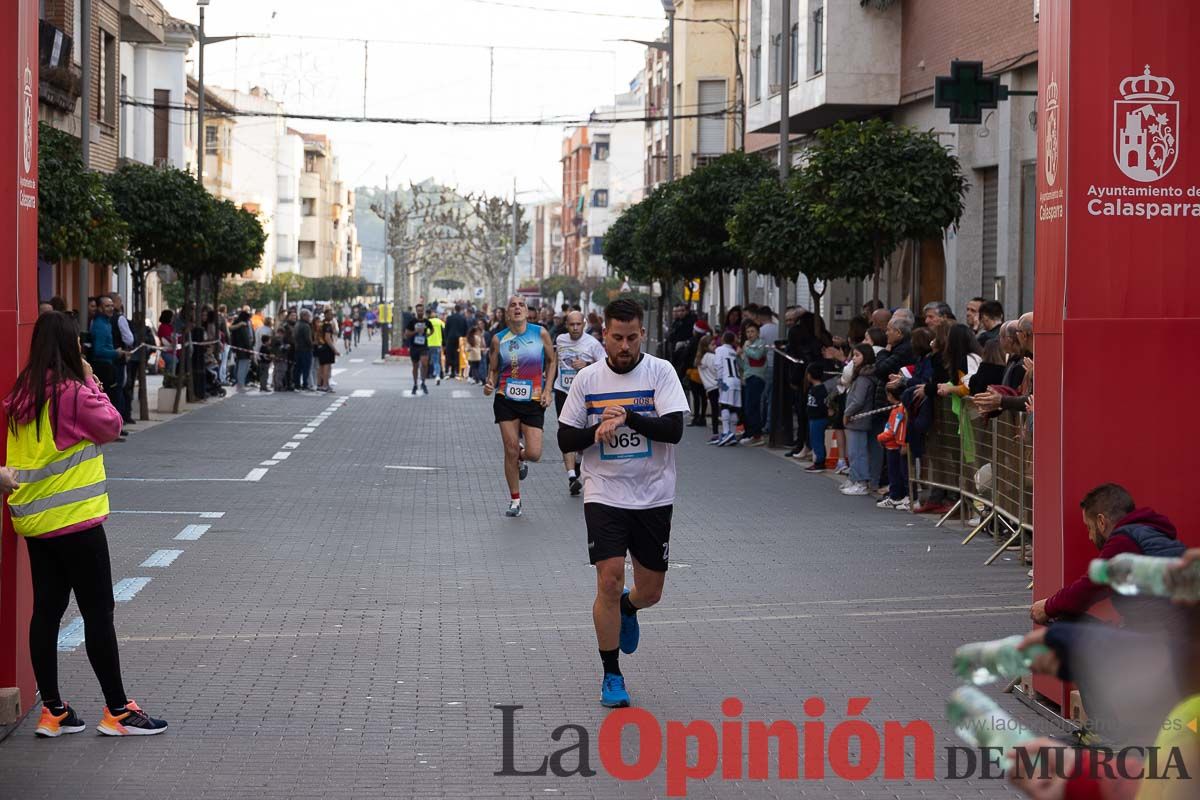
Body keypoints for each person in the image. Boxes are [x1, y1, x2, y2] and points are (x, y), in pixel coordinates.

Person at [4, 312, 167, 736]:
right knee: (99, 613)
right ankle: (117, 710)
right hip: (77, 524)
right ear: (70, 345)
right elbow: (111, 425)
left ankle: (52, 710)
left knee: (46, 612)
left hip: (36, 523)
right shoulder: (72, 393)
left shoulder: (22, 394)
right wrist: (91, 379)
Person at [556, 298, 689, 708]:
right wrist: (596, 430)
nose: (625, 346)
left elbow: (674, 430)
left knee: (650, 592)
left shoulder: (660, 372)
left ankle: (631, 608)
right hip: (605, 492)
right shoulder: (588, 380)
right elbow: (564, 439)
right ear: (605, 336)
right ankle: (611, 674)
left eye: (632, 338)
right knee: (609, 579)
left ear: (641, 335)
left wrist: (629, 418)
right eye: (617, 338)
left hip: (652, 496)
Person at [1030, 483, 1184, 627]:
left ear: (1101, 522)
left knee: (1064, 624)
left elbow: (1088, 588)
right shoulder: (1152, 534)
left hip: (1159, 635)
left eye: (1089, 527)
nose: (1090, 536)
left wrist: (1048, 607)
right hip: (1176, 628)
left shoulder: (1124, 540)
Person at [483, 295, 557, 517]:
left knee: (534, 453)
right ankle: (515, 500)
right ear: (506, 313)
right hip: (506, 399)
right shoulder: (498, 339)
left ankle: (521, 460)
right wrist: (489, 383)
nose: (517, 308)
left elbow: (552, 361)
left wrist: (547, 390)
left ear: (527, 311)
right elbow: (494, 369)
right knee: (510, 448)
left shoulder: (540, 333)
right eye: (512, 305)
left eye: (521, 305)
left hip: (533, 400)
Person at [554, 310, 607, 496]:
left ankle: (577, 464)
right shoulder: (560, 340)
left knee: (582, 435)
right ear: (566, 325)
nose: (575, 328)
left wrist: (586, 366)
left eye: (578, 324)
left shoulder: (592, 344)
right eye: (571, 324)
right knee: (566, 430)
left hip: (584, 395)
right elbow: (555, 362)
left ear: (584, 324)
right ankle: (571, 477)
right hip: (562, 391)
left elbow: (605, 366)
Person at [841, 344, 878, 496]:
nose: (854, 359)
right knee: (856, 451)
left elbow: (858, 400)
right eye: (853, 355)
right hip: (859, 419)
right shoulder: (865, 376)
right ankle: (855, 478)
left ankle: (860, 481)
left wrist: (847, 413)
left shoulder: (863, 378)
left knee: (857, 452)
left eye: (857, 355)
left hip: (858, 419)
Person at [875, 385, 909, 510]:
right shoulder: (899, 409)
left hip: (893, 445)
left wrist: (880, 437)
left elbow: (892, 430)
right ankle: (898, 495)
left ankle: (895, 496)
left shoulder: (898, 411)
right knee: (897, 473)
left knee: (895, 473)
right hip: (894, 444)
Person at [738, 321, 768, 446]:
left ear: (758, 333)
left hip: (757, 377)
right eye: (748, 332)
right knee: (748, 407)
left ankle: (757, 435)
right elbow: (744, 364)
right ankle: (752, 433)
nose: (749, 334)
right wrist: (739, 357)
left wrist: (746, 348)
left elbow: (757, 355)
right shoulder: (748, 344)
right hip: (748, 377)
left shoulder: (760, 343)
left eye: (752, 331)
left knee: (752, 406)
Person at [713, 331, 742, 447]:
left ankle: (726, 432)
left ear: (723, 339)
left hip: (726, 380)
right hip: (737, 381)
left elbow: (718, 366)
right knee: (734, 407)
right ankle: (733, 434)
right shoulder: (733, 351)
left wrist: (719, 381)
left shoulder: (720, 350)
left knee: (724, 405)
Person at [803, 363, 831, 473]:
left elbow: (822, 405)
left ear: (810, 375)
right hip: (814, 418)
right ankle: (818, 460)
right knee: (816, 439)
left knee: (817, 440)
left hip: (817, 418)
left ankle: (819, 462)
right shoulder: (817, 388)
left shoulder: (818, 390)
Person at [405, 303, 432, 396]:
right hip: (414, 347)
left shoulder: (427, 321)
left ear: (423, 311)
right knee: (415, 366)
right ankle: (415, 384)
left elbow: (432, 330)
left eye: (421, 310)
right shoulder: (412, 322)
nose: (420, 312)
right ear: (416, 311)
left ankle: (423, 382)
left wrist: (428, 335)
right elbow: (407, 334)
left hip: (424, 346)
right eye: (418, 310)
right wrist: (415, 332)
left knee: (425, 363)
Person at [230, 310, 254, 392]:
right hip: (244, 350)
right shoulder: (243, 326)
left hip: (239, 349)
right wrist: (250, 350)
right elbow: (246, 339)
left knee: (240, 367)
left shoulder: (237, 324)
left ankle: (239, 385)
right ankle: (241, 386)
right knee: (243, 368)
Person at [444, 304, 469, 380]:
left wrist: (446, 339)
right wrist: (464, 338)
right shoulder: (463, 318)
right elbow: (466, 329)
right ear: (460, 309)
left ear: (454, 309)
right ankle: (458, 371)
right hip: (460, 339)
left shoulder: (449, 318)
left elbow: (446, 329)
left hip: (450, 338)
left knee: (450, 354)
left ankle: (451, 371)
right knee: (458, 354)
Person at [316, 309, 338, 392]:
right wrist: (334, 349)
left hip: (320, 346)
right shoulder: (328, 325)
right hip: (326, 347)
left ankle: (319, 384)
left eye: (332, 314)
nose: (332, 316)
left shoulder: (321, 324)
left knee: (321, 366)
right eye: (330, 314)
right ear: (326, 315)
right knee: (326, 367)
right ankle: (325, 385)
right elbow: (327, 338)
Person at [293, 310, 314, 391]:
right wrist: (312, 346)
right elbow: (308, 339)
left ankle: (297, 384)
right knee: (306, 368)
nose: (309, 318)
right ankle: (305, 384)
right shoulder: (306, 326)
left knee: (298, 368)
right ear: (304, 316)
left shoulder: (297, 324)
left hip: (298, 349)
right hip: (305, 350)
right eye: (309, 316)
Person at [427, 311, 445, 385]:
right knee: (436, 361)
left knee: (426, 361)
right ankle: (437, 375)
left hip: (428, 344)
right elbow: (444, 331)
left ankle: (427, 374)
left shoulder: (427, 322)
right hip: (437, 343)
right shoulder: (440, 322)